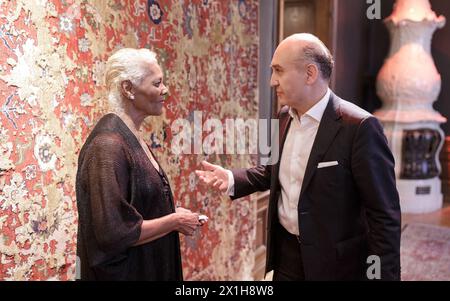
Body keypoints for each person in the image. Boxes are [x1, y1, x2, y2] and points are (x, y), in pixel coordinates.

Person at [196, 33, 401, 281]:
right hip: (286, 257)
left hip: (337, 265)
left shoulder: (360, 128)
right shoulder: (283, 117)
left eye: (279, 71)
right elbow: (272, 172)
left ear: (310, 73)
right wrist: (230, 177)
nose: (272, 81)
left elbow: (383, 215)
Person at [76, 48, 204, 280]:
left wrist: (170, 214)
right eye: (157, 83)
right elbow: (113, 231)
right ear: (128, 89)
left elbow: (136, 208)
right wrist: (174, 221)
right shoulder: (107, 145)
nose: (165, 90)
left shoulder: (130, 136)